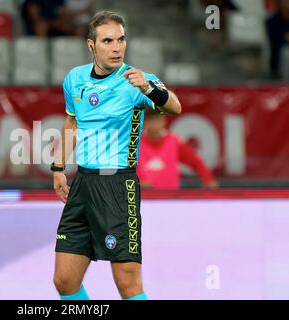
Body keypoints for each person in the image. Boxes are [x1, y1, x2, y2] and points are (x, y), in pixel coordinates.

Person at [52, 11, 182, 300]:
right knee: (64, 280)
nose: (117, 47)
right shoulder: (75, 80)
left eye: (121, 40)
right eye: (108, 40)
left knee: (127, 284)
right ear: (91, 45)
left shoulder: (137, 81)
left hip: (118, 186)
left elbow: (174, 106)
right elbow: (72, 123)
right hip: (82, 184)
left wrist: (149, 89)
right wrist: (59, 167)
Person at [137, 111, 218, 190]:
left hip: (171, 196)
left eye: (157, 120)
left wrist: (208, 179)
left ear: (164, 121)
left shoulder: (173, 141)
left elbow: (195, 161)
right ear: (145, 122)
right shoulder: (135, 143)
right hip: (144, 197)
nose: (154, 124)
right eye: (151, 120)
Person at [266, 0, 289, 79]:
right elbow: (275, 40)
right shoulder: (272, 20)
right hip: (280, 53)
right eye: (285, 2)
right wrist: (285, 38)